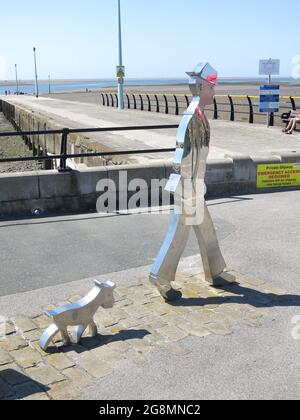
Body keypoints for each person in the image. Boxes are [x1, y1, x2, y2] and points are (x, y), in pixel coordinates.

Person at [149, 63, 233, 302]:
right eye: (211, 87)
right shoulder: (192, 117)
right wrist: (187, 186)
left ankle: (215, 271)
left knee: (207, 230)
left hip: (194, 185)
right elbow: (182, 154)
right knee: (179, 234)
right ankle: (160, 276)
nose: (214, 92)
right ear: (200, 86)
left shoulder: (198, 115)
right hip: (189, 186)